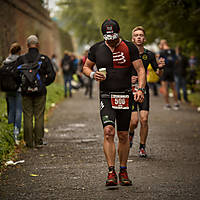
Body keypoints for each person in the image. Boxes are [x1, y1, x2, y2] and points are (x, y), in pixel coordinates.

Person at [83, 19, 146, 186]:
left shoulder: (129, 47)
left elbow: (140, 69)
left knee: (123, 135)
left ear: (118, 33)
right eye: (107, 37)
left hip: (125, 95)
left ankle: (123, 170)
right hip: (106, 96)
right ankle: (111, 172)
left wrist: (140, 89)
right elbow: (86, 67)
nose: (110, 40)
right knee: (109, 131)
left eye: (113, 36)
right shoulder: (96, 48)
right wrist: (92, 75)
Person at [129, 26, 165, 157]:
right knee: (134, 122)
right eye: (136, 35)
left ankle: (142, 147)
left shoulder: (149, 54)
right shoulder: (127, 53)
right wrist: (129, 77)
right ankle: (131, 134)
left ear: (144, 38)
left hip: (143, 89)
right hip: (130, 89)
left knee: (144, 119)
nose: (139, 37)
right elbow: (120, 70)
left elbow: (158, 73)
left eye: (141, 35)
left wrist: (160, 68)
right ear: (133, 39)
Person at [16, 35, 55, 148]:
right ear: (38, 45)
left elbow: (15, 74)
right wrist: (44, 83)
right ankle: (38, 140)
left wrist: (22, 84)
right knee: (39, 115)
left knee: (27, 115)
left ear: (27, 45)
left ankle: (28, 142)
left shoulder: (21, 59)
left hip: (25, 92)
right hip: (40, 91)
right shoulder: (44, 59)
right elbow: (52, 74)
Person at [3, 43, 22, 145]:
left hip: (8, 89)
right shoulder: (20, 61)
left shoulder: (6, 61)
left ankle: (10, 133)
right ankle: (16, 133)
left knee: (11, 110)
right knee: (18, 110)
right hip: (18, 89)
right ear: (19, 51)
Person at [159, 39, 179, 110]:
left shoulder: (161, 52)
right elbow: (176, 60)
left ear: (162, 44)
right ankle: (176, 104)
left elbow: (160, 62)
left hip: (165, 70)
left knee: (165, 88)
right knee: (173, 88)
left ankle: (167, 105)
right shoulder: (173, 51)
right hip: (171, 70)